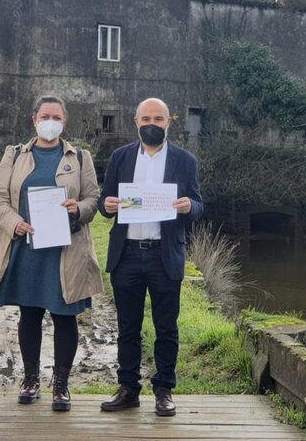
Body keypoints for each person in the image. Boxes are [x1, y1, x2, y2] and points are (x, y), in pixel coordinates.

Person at [0, 95, 104, 412]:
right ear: (34, 119)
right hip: (27, 248)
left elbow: (93, 199)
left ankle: (61, 385)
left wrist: (77, 208)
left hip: (66, 251)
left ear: (64, 121)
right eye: (45, 115)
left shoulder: (80, 157)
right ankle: (30, 380)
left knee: (65, 318)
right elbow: (0, 199)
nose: (50, 121)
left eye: (56, 116)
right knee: (29, 314)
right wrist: (15, 223)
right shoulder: (14, 155)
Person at [98, 97, 204, 417]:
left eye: (159, 119)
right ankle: (128, 389)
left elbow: (199, 206)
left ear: (168, 122)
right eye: (146, 118)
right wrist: (110, 206)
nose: (152, 124)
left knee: (166, 327)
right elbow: (105, 202)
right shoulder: (120, 157)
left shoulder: (185, 161)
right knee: (127, 327)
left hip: (164, 255)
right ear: (136, 121)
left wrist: (189, 206)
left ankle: (164, 390)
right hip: (127, 254)